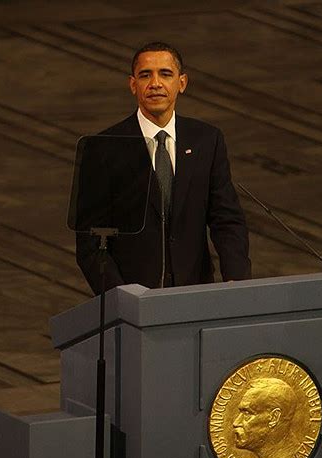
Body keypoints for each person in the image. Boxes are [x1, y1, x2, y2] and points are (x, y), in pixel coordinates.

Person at [76, 41, 251, 294]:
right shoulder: (104, 148)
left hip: (195, 296)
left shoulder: (206, 140)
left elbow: (227, 219)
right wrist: (121, 298)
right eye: (145, 75)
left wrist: (237, 280)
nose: (155, 83)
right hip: (133, 303)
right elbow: (90, 242)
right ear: (133, 85)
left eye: (165, 74)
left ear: (182, 83)